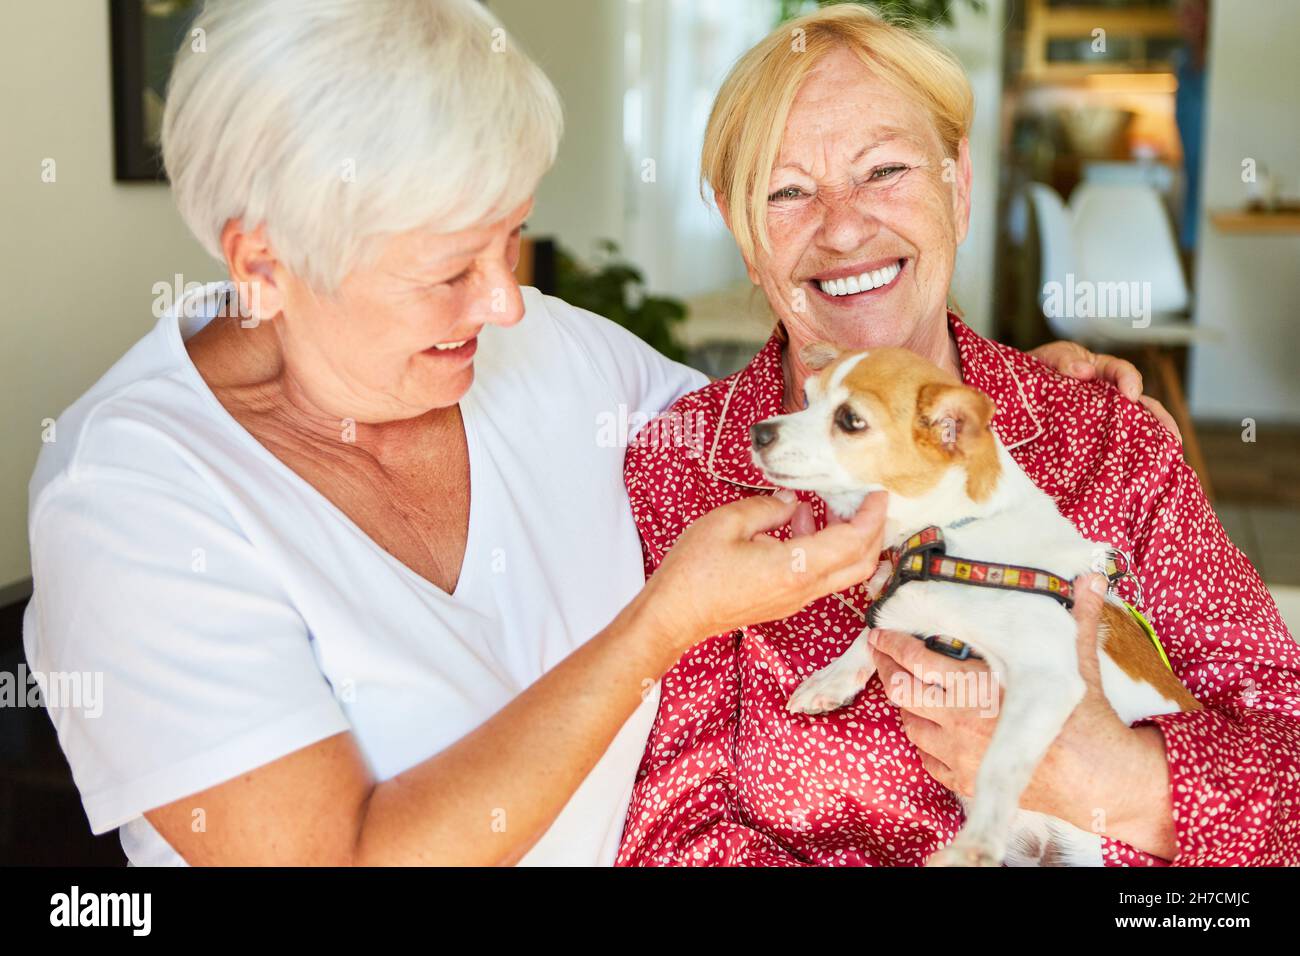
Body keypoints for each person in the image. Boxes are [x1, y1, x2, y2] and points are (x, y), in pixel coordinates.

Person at [25, 0, 1174, 866]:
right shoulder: (131, 501)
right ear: (262, 263)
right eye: (447, 267)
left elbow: (783, 424)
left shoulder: (542, 355)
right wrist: (655, 626)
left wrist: (1007, 391)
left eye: (513, 236)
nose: (506, 300)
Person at [616, 4, 1299, 867]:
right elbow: (671, 837)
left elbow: (1289, 758)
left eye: (884, 169)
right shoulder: (682, 473)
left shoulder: (1107, 444)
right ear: (741, 232)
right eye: (787, 191)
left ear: (959, 185)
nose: (842, 225)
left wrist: (1118, 781)